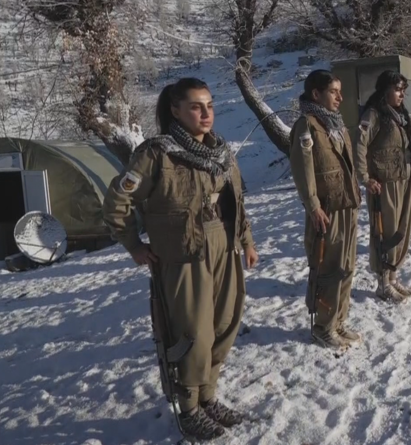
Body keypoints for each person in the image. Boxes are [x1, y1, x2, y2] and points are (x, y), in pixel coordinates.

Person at [103, 77, 259, 441]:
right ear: (175, 110)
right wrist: (133, 245)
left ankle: (207, 396)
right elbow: (117, 202)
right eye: (195, 107)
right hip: (184, 253)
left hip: (225, 246)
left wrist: (247, 241)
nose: (206, 114)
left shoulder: (221, 151)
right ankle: (188, 408)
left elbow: (237, 200)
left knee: (224, 325)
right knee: (193, 333)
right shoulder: (157, 154)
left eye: (209, 105)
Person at [289, 70, 361, 349]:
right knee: (328, 269)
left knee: (346, 267)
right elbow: (303, 170)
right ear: (316, 94)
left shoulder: (335, 123)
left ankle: (338, 320)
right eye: (333, 92)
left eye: (340, 91)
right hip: (326, 210)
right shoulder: (307, 125)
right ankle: (323, 325)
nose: (340, 97)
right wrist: (313, 206)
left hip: (346, 204)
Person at [354, 70, 411, 302]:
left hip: (403, 178)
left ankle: (392, 275)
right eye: (397, 89)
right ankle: (383, 282)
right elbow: (359, 145)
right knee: (385, 232)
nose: (402, 94)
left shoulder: (399, 116)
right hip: (383, 183)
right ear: (385, 90)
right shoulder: (374, 114)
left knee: (401, 230)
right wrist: (365, 177)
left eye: (403, 90)